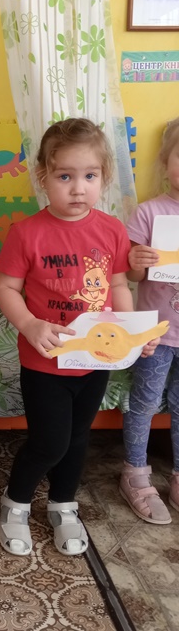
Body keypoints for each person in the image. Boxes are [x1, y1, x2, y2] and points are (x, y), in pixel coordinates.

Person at [0, 118, 158, 557]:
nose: (78, 188)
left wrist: (133, 332)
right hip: (45, 360)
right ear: (43, 177)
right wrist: (29, 324)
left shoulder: (112, 229)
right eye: (65, 176)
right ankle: (16, 502)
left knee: (79, 437)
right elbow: (6, 288)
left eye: (89, 176)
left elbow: (118, 285)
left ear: (104, 177)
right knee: (49, 441)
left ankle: (63, 504)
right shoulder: (26, 233)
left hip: (96, 359)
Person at [120, 118, 179, 524]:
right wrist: (137, 260)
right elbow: (132, 275)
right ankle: (135, 473)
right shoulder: (149, 212)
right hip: (155, 334)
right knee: (143, 402)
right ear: (164, 160)